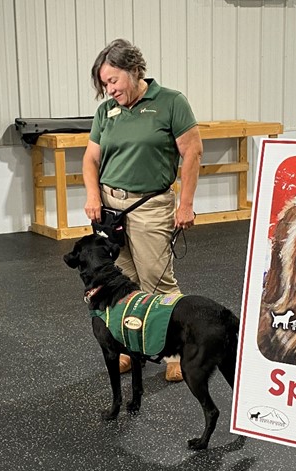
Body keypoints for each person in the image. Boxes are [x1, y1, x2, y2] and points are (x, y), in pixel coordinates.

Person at [83, 39, 203, 382]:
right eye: (104, 83)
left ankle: (177, 352)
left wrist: (187, 204)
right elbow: (91, 158)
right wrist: (93, 196)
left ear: (134, 71)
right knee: (121, 282)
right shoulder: (106, 112)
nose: (110, 89)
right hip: (110, 207)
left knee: (158, 280)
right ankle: (127, 349)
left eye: (113, 80)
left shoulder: (171, 103)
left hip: (150, 204)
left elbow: (192, 153)